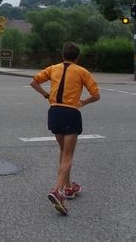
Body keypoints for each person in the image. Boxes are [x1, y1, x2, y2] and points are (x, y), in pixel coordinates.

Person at [30, 42, 100, 215]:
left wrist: (46, 95)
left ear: (63, 55)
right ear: (77, 57)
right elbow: (96, 95)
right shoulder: (82, 71)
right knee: (68, 155)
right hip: (70, 113)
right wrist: (83, 102)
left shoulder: (53, 68)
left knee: (63, 151)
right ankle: (57, 190)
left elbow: (34, 82)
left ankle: (68, 187)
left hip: (54, 112)